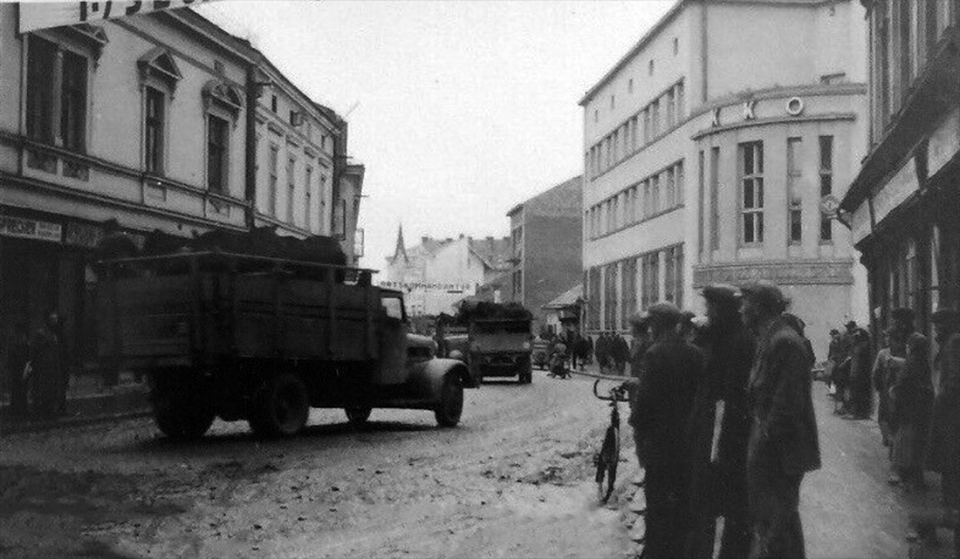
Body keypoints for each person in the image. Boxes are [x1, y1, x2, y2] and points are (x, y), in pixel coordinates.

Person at [740, 281, 820, 559]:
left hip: (780, 453)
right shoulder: (769, 339)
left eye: (745, 303)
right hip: (772, 448)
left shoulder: (783, 342)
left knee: (778, 526)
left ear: (760, 308)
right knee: (774, 523)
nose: (741, 309)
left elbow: (787, 406)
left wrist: (762, 445)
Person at [684, 285, 755, 559]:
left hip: (726, 433)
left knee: (727, 503)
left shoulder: (736, 342)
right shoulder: (722, 337)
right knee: (716, 502)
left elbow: (729, 395)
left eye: (711, 307)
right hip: (716, 430)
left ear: (721, 309)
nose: (707, 312)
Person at [629, 302, 705, 559]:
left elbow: (645, 401)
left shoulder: (655, 354)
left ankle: (656, 552)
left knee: (658, 501)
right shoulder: (695, 354)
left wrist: (637, 424)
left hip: (660, 442)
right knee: (684, 499)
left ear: (656, 325)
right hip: (688, 440)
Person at [923, 309, 960, 548]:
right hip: (949, 419)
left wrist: (939, 401)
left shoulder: (954, 343)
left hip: (952, 421)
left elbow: (953, 382)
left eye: (938, 327)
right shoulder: (950, 343)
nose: (935, 331)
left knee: (952, 471)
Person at [890, 332, 934, 492]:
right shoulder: (923, 362)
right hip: (922, 410)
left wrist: (894, 393)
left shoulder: (911, 362)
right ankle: (916, 479)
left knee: (907, 446)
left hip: (910, 411)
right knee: (917, 446)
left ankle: (907, 479)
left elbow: (902, 386)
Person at [873, 326, 907, 449]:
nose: (886, 339)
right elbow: (876, 371)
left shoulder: (903, 351)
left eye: (889, 337)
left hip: (899, 388)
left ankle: (893, 439)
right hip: (885, 387)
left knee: (893, 415)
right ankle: (887, 438)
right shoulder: (883, 353)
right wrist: (879, 387)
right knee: (883, 414)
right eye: (886, 337)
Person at [29, 311, 67, 418]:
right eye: (52, 319)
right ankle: (41, 410)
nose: (55, 322)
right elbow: (36, 350)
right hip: (43, 367)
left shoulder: (55, 334)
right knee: (42, 389)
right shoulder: (41, 333)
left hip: (53, 366)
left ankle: (49, 409)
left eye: (56, 319)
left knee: (52, 389)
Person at [845, 326, 874, 420]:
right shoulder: (855, 346)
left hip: (861, 374)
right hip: (855, 373)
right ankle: (856, 412)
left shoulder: (864, 345)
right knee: (855, 393)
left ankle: (861, 413)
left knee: (860, 394)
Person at [6, 320, 32, 418]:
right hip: (18, 369)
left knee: (21, 390)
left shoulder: (20, 343)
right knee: (18, 390)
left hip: (21, 369)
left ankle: (20, 410)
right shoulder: (18, 342)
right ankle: (18, 411)